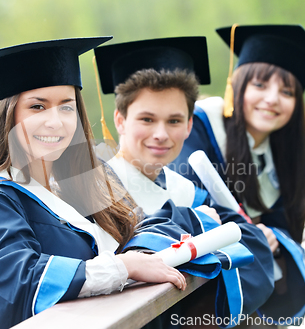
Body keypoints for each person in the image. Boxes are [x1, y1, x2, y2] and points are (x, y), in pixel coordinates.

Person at [0, 37, 225, 329]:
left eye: (66, 107)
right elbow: (12, 284)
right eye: (38, 107)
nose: (55, 121)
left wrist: (192, 221)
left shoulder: (83, 183)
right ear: (10, 114)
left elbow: (136, 231)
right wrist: (123, 267)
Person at [170, 24, 305, 325]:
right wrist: (252, 232)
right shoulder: (200, 125)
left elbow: (286, 228)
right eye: (260, 86)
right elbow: (188, 203)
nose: (273, 99)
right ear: (237, 86)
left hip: (249, 297)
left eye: (287, 91)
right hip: (194, 295)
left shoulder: (286, 158)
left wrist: (273, 238)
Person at [94, 37, 274, 327]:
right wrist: (198, 224)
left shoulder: (189, 191)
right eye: (147, 119)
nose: (161, 134)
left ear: (190, 124)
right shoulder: (96, 195)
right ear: (120, 120)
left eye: (174, 121)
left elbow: (253, 249)